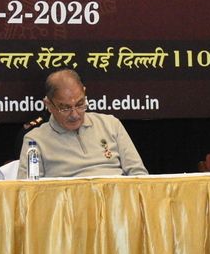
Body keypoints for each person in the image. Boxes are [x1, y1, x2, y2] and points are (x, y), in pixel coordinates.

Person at [20, 69, 148, 177]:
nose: (75, 115)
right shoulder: (35, 141)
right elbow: (28, 190)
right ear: (48, 105)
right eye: (65, 108)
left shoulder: (111, 124)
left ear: (85, 93)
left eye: (80, 104)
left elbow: (139, 174)